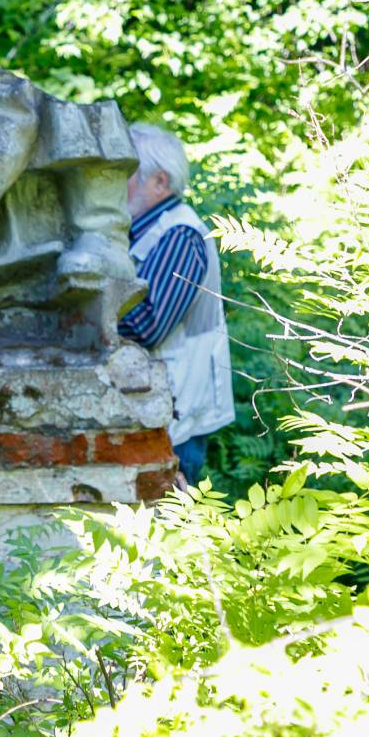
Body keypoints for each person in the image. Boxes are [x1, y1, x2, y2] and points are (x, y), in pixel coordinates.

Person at [118, 124, 235, 486]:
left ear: (160, 182)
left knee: (165, 532)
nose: (114, 183)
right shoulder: (149, 230)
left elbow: (145, 326)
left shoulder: (180, 235)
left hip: (176, 419)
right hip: (160, 408)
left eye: (127, 173)